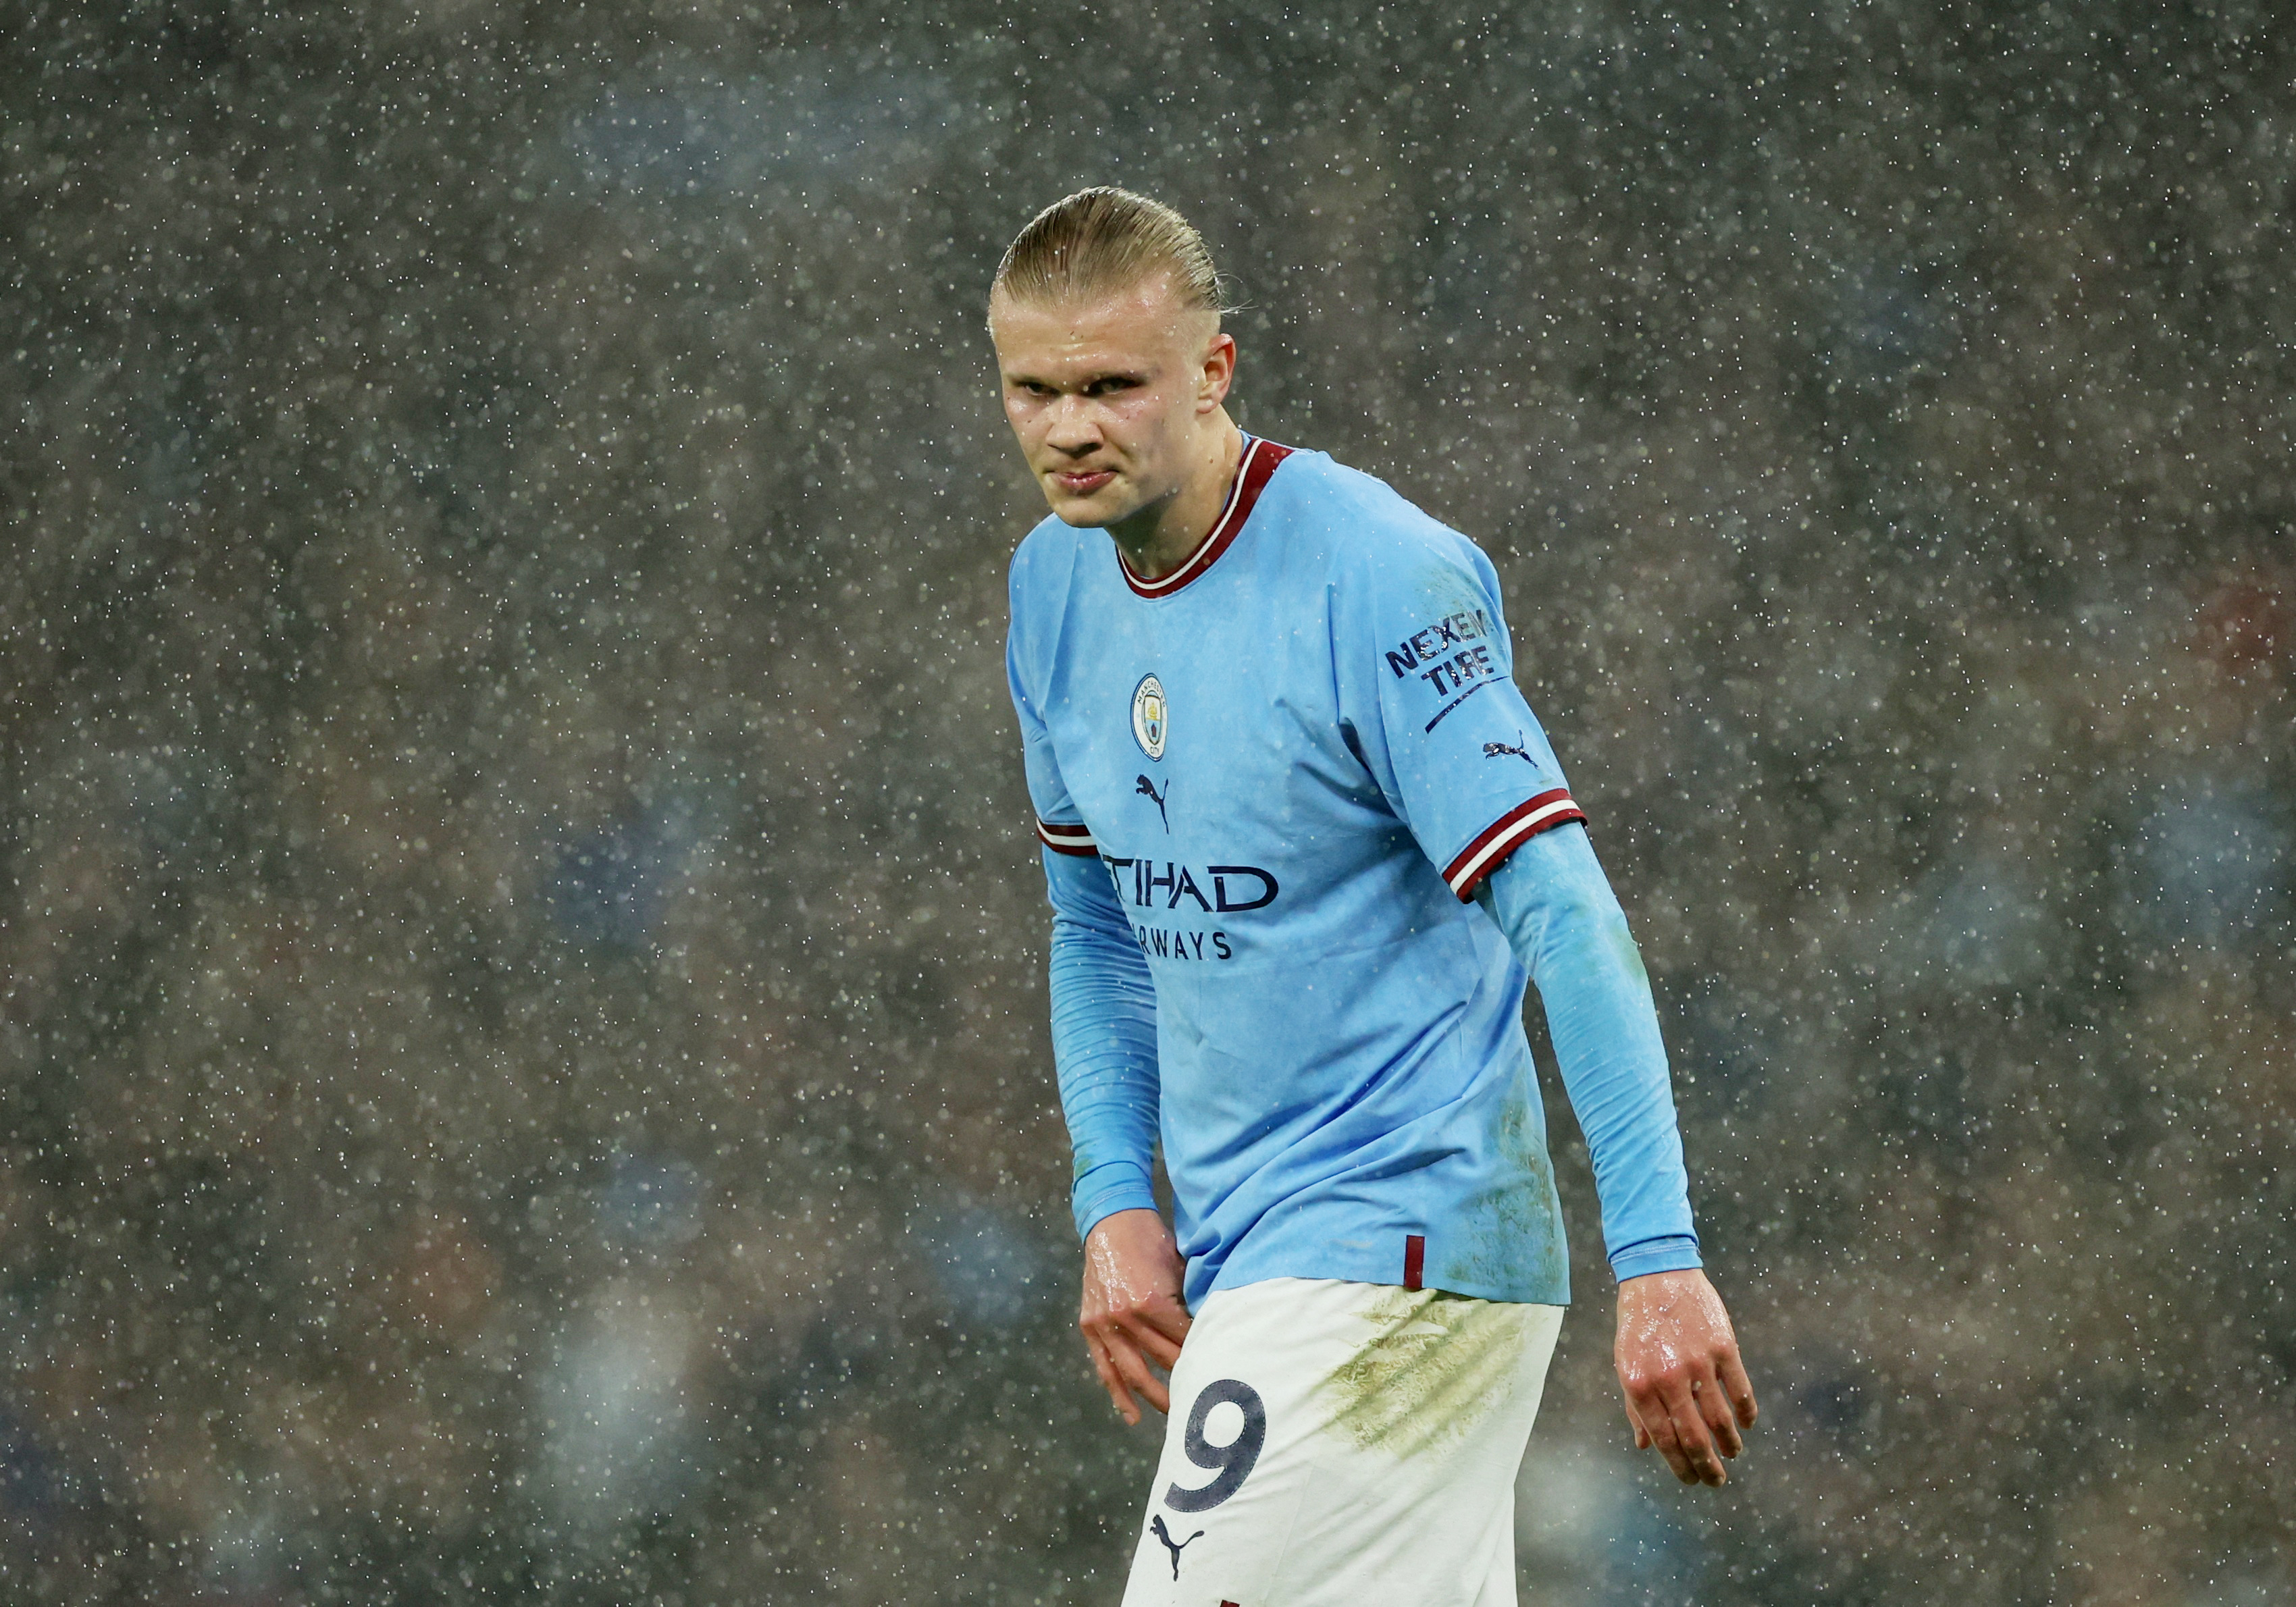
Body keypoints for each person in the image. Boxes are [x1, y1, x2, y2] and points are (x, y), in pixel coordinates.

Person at [992, 187, 1756, 1606]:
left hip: (1399, 1238)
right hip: (1249, 1255)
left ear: (1212, 370)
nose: (1068, 425)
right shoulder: (1052, 586)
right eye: (1033, 389)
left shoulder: (1380, 577)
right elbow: (1094, 920)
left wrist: (1656, 1257)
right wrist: (1114, 1198)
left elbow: (1567, 913)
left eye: (1111, 384)